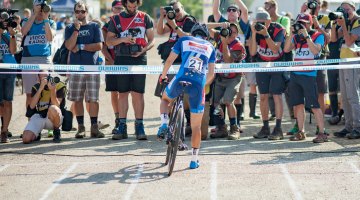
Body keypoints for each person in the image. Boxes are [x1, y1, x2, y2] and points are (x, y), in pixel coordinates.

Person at [158, 23, 215, 169]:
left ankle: (164, 123)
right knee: (196, 127)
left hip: (181, 78)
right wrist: (203, 85)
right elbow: (211, 74)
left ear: (193, 32)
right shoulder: (210, 46)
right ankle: (194, 160)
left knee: (165, 99)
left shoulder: (184, 40)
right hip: (198, 84)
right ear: (206, 36)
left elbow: (169, 60)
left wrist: (163, 76)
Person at [106, 0, 155, 140]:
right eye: (130, 6)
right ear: (125, 4)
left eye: (135, 6)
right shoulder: (116, 19)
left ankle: (139, 125)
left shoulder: (145, 17)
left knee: (138, 94)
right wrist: (123, 39)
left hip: (139, 58)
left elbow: (152, 39)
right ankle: (122, 126)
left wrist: (143, 50)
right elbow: (109, 41)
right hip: (122, 58)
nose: (133, 9)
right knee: (122, 93)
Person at [155, 0, 196, 138]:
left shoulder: (189, 20)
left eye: (178, 10)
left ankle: (189, 123)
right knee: (166, 95)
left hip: (183, 63)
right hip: (171, 63)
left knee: (186, 97)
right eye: (173, 11)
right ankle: (166, 125)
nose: (176, 14)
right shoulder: (171, 19)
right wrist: (162, 17)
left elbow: (189, 38)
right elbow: (160, 31)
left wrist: (174, 26)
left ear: (182, 8)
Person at [284, 13, 326, 143]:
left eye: (304, 23)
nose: (301, 25)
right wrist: (291, 34)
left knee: (314, 105)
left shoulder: (318, 36)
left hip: (309, 75)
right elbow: (286, 49)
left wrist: (307, 36)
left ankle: (322, 133)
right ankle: (301, 131)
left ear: (310, 24)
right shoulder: (296, 37)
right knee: (297, 105)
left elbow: (315, 51)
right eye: (299, 23)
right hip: (296, 74)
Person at [65, 1, 104, 139]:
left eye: (82, 11)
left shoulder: (94, 26)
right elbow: (69, 46)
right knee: (77, 99)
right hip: (76, 69)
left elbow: (99, 46)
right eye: (77, 11)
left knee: (93, 99)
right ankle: (81, 127)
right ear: (74, 13)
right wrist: (76, 30)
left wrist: (81, 47)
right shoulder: (70, 28)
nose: (80, 14)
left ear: (86, 12)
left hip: (92, 68)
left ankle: (94, 127)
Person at [249, 11, 286, 140]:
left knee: (276, 96)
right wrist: (254, 33)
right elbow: (253, 52)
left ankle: (278, 128)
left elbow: (275, 49)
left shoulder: (278, 29)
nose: (261, 25)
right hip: (262, 65)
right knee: (263, 96)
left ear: (269, 21)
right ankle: (265, 127)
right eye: (258, 23)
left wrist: (266, 34)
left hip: (276, 64)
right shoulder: (255, 30)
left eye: (263, 23)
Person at [207, 22, 245, 140]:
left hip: (234, 77)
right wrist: (220, 24)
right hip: (220, 77)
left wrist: (224, 43)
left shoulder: (238, 46)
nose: (231, 35)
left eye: (234, 32)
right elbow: (205, 27)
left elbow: (228, 61)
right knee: (216, 103)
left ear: (237, 34)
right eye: (229, 31)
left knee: (228, 101)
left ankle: (234, 128)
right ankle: (221, 128)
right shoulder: (220, 36)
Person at [21, 0, 56, 115]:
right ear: (33, 7)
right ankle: (31, 123)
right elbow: (24, 31)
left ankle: (49, 121)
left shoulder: (50, 22)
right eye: (38, 7)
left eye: (42, 7)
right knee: (30, 93)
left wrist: (45, 18)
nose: (41, 9)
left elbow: (50, 38)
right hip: (28, 59)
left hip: (44, 59)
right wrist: (35, 14)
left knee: (48, 90)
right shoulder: (26, 20)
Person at [332, 1, 360, 139]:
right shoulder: (345, 21)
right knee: (344, 96)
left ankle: (357, 127)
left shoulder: (357, 21)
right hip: (343, 61)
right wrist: (334, 23)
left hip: (354, 62)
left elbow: (349, 42)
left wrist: (343, 25)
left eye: (347, 9)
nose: (345, 12)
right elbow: (333, 38)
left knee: (353, 95)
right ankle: (348, 126)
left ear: (354, 8)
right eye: (342, 10)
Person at [22, 71, 65, 144]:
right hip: (40, 116)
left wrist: (52, 90)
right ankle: (37, 133)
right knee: (26, 139)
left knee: (53, 108)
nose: (46, 80)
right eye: (43, 78)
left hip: (54, 119)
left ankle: (56, 132)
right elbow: (32, 106)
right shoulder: (36, 87)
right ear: (38, 79)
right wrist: (40, 89)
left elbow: (57, 105)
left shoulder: (59, 86)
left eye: (47, 77)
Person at [102, 0, 124, 134]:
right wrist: (111, 60)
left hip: (126, 63)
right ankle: (117, 118)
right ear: (112, 9)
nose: (119, 10)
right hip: (111, 63)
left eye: (122, 8)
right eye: (117, 8)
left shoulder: (127, 23)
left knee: (126, 93)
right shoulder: (106, 25)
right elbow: (103, 47)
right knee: (114, 92)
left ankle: (124, 120)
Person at [0, 15, 18, 143]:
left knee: (8, 101)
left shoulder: (9, 34)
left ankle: (4, 131)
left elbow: (13, 50)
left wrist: (12, 35)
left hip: (9, 69)